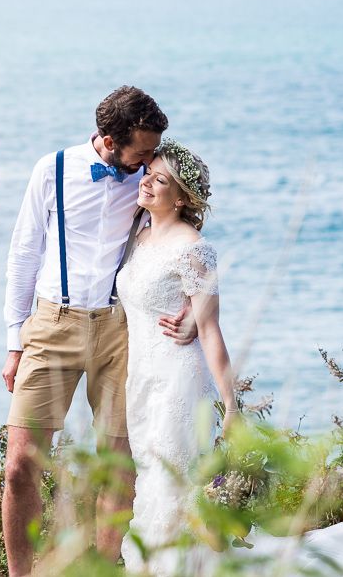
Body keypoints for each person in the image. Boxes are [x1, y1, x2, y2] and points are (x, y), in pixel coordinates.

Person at [1, 86, 195, 577]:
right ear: (110, 140)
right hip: (51, 325)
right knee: (21, 464)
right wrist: (13, 339)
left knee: (118, 462)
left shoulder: (149, 179)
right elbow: (24, 253)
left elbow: (185, 235)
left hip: (121, 330)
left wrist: (194, 308)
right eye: (144, 150)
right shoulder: (52, 170)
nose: (153, 160)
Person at [116, 138, 238, 575]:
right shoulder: (138, 233)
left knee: (172, 483)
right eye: (147, 173)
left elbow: (209, 327)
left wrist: (231, 405)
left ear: (182, 197)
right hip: (141, 378)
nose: (146, 182)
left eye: (160, 179)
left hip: (179, 380)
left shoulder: (195, 248)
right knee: (150, 479)